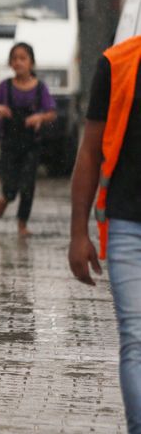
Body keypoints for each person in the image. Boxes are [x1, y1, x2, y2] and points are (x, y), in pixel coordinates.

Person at [69, 35, 141, 432]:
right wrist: (78, 233)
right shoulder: (116, 65)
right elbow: (90, 151)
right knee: (137, 340)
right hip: (128, 226)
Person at [0, 42, 56, 236]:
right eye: (14, 59)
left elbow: (51, 112)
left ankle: (22, 224)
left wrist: (39, 118)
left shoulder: (40, 88)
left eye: (23, 58)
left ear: (32, 63)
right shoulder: (5, 86)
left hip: (31, 145)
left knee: (28, 185)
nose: (18, 62)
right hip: (9, 143)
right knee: (10, 183)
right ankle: (6, 198)